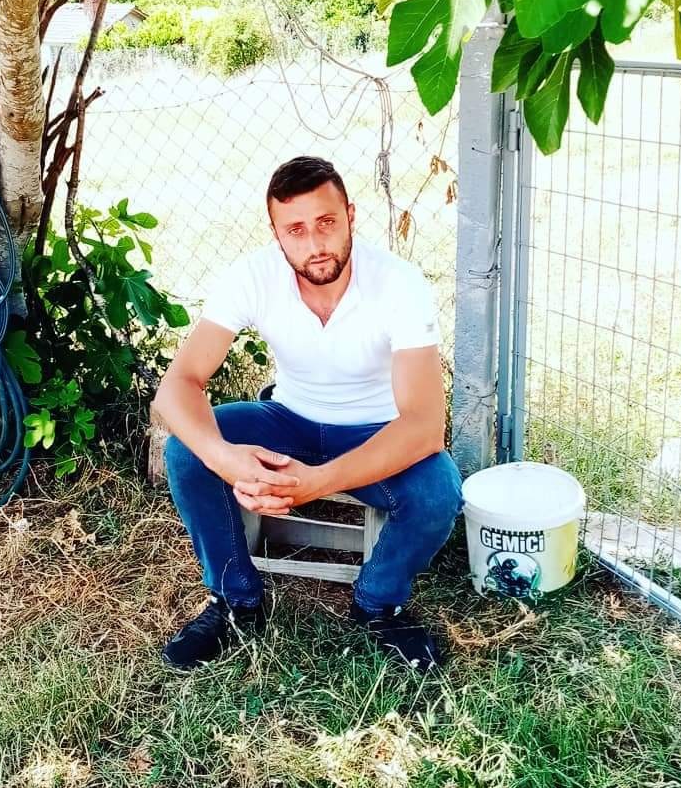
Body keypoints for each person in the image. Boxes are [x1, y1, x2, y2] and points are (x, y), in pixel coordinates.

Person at [153, 156, 464, 674]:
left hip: (374, 431)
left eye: (326, 222)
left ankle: (377, 604)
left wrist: (314, 483)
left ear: (350, 216)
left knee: (438, 491)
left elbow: (424, 426)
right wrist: (225, 459)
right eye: (295, 230)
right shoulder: (253, 276)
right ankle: (236, 601)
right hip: (288, 420)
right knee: (186, 450)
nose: (315, 243)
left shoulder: (398, 283)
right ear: (276, 233)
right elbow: (177, 386)